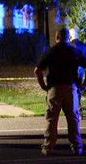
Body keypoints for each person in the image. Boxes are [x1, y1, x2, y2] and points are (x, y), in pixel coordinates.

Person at [34, 27, 86, 156]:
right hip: (71, 89)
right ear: (69, 38)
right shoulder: (75, 52)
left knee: (52, 119)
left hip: (55, 89)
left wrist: (43, 86)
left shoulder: (50, 52)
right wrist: (84, 84)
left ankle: (48, 147)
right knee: (73, 119)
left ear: (56, 38)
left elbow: (37, 70)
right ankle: (77, 147)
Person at [69, 28, 86, 116]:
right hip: (81, 69)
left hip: (72, 70)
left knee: (72, 88)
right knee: (79, 88)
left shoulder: (68, 45)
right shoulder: (84, 46)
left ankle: (74, 108)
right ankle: (78, 106)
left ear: (70, 35)